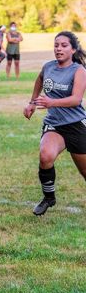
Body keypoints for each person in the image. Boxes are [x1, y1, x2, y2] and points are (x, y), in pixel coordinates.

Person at [23, 31, 86, 216]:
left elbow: (75, 99)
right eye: (56, 45)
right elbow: (39, 80)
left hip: (75, 125)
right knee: (45, 156)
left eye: (64, 45)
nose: (59, 49)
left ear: (73, 49)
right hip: (54, 124)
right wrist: (32, 103)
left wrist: (51, 102)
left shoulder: (79, 71)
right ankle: (49, 198)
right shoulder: (48, 67)